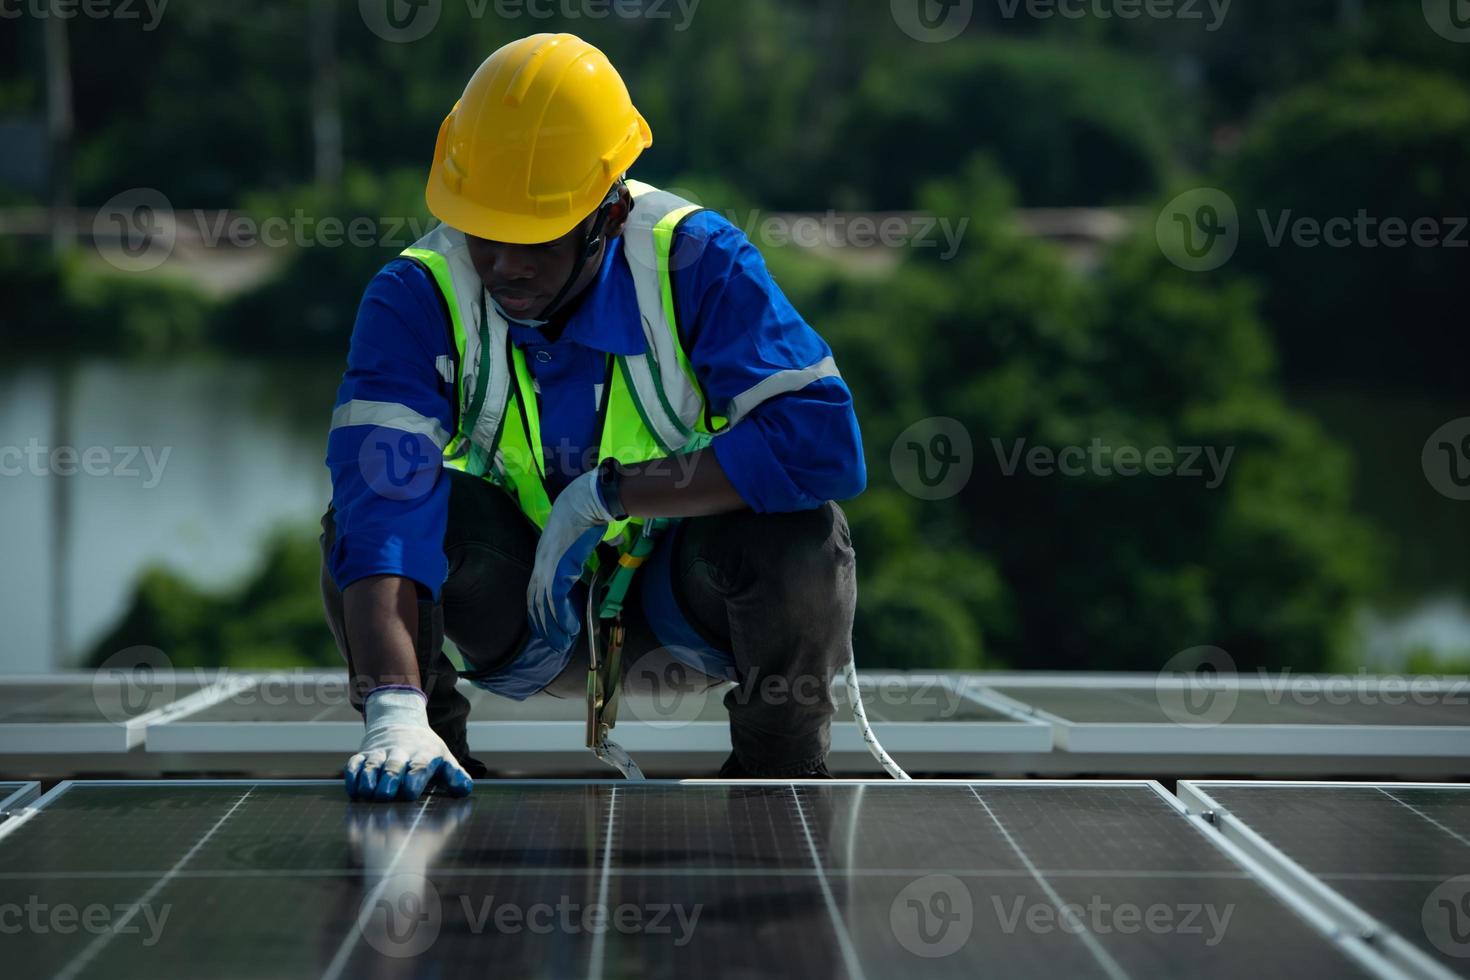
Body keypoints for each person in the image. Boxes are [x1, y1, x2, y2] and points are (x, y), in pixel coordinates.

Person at [319, 33, 866, 802]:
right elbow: (379, 508)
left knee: (802, 536)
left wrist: (612, 496)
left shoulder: (696, 263)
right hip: (517, 613)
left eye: (535, 235)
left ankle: (777, 776)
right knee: (355, 521)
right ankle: (427, 751)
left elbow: (824, 447)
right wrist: (392, 706)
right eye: (484, 230)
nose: (506, 264)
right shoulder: (417, 297)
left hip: (684, 606)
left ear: (608, 214)